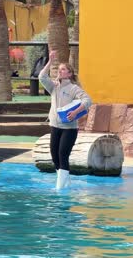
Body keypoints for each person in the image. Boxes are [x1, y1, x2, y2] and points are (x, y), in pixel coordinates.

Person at [38, 51, 92, 190]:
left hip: (69, 129)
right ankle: (65, 182)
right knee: (54, 155)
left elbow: (87, 100)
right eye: (59, 69)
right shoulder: (54, 87)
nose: (60, 71)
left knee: (63, 154)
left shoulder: (74, 88)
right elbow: (41, 76)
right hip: (55, 126)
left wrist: (75, 112)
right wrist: (50, 61)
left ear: (69, 74)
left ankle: (59, 188)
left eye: (63, 69)